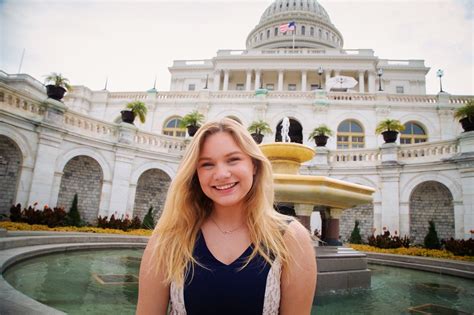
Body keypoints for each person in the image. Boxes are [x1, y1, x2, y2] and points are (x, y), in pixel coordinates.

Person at [137, 118, 316, 315]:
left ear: (254, 165)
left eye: (233, 160)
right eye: (207, 164)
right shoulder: (168, 238)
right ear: (195, 173)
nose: (221, 174)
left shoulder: (291, 237)